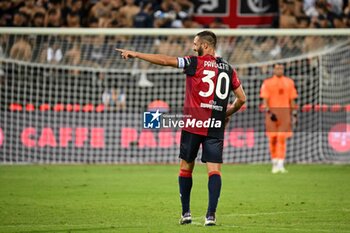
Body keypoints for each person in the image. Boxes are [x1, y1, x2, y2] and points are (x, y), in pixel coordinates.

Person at [116, 30, 246, 226]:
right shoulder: (228, 68)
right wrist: (225, 114)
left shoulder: (194, 62)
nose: (193, 47)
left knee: (186, 167)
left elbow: (166, 60)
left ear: (206, 46)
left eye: (196, 44)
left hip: (193, 123)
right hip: (215, 125)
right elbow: (242, 99)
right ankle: (210, 216)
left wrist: (137, 54)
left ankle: (186, 213)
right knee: (214, 171)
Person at [260, 64, 298, 174]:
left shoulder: (289, 82)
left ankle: (280, 164)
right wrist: (269, 111)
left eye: (281, 68)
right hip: (272, 114)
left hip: (285, 114)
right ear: (273, 70)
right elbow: (265, 100)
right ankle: (274, 163)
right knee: (272, 139)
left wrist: (294, 113)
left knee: (282, 138)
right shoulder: (267, 83)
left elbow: (292, 99)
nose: (279, 70)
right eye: (277, 68)